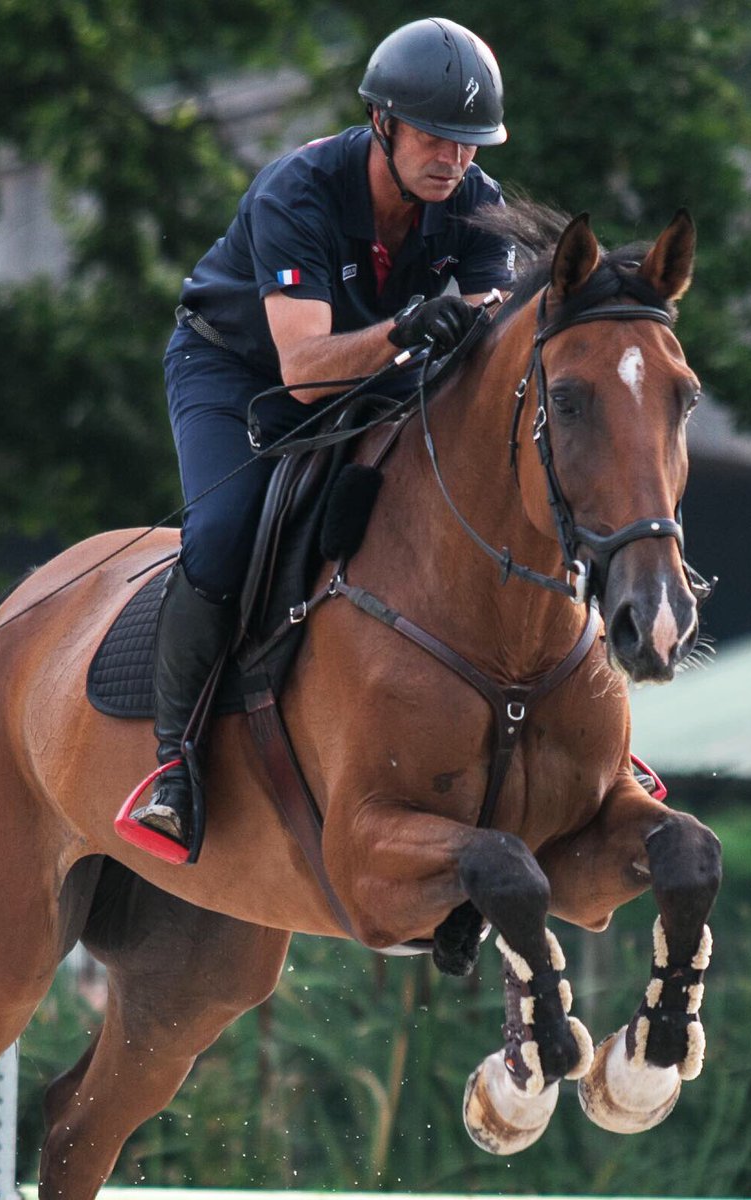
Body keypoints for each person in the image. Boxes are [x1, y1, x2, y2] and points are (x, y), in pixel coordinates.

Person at [126, 17, 516, 849]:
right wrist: (414, 328)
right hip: (239, 370)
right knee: (227, 532)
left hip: (378, 379)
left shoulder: (481, 211)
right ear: (383, 121)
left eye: (470, 145)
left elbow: (489, 357)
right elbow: (303, 371)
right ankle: (173, 762)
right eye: (436, 138)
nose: (454, 160)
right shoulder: (296, 189)